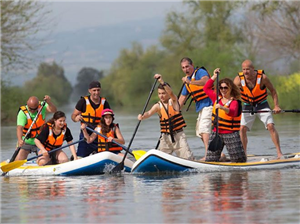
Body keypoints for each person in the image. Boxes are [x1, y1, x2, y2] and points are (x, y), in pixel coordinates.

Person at [233, 59, 283, 159]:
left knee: (270, 126)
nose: (245, 72)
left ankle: (279, 153)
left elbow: (273, 91)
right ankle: (244, 154)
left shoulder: (263, 78)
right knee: (242, 128)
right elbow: (232, 93)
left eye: (248, 69)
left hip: (262, 104)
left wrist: (276, 106)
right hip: (247, 105)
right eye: (243, 69)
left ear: (253, 69)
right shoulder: (238, 79)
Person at [138, 74, 194, 160]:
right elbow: (149, 113)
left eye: (163, 93)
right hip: (165, 138)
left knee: (188, 158)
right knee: (161, 158)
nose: (161, 96)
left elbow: (171, 93)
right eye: (159, 93)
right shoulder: (158, 106)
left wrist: (161, 81)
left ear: (167, 93)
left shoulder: (173, 101)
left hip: (178, 136)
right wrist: (142, 116)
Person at [203, 68, 247, 162]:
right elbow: (206, 88)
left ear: (230, 88)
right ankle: (221, 159)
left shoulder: (235, 102)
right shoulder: (216, 98)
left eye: (225, 88)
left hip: (230, 134)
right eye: (221, 88)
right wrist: (214, 76)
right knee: (210, 159)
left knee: (238, 160)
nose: (223, 90)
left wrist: (222, 107)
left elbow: (233, 112)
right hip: (216, 133)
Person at [178, 57, 213, 160]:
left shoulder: (200, 72)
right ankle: (217, 154)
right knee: (199, 132)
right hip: (201, 108)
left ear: (192, 65)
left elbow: (206, 81)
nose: (185, 69)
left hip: (210, 104)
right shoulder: (187, 82)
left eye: (187, 66)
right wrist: (172, 112)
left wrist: (190, 82)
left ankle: (208, 155)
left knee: (204, 129)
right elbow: (181, 100)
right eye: (183, 68)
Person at [71, 81, 111, 158]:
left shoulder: (105, 103)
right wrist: (76, 118)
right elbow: (73, 116)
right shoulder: (83, 101)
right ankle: (76, 157)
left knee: (104, 156)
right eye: (94, 90)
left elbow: (110, 118)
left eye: (98, 90)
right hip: (85, 134)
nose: (96, 92)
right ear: (89, 91)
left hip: (100, 134)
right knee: (80, 157)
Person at [15, 95, 57, 161]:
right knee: (18, 160)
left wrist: (49, 102)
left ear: (38, 105)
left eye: (34, 109)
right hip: (26, 141)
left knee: (45, 160)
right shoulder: (22, 113)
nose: (32, 111)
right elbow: (19, 128)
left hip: (40, 141)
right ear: (27, 104)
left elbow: (54, 110)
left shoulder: (42, 106)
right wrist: (20, 140)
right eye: (30, 109)